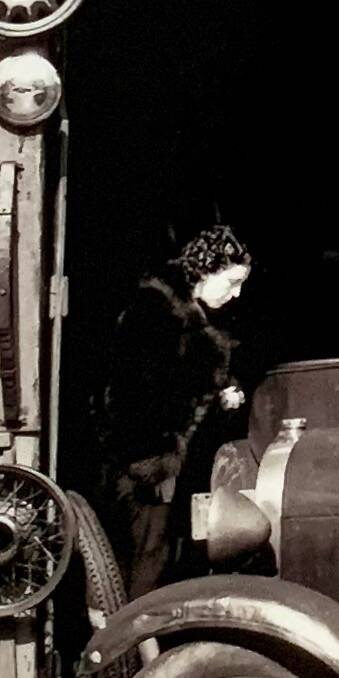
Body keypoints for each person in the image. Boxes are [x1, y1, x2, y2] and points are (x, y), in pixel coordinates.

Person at [105, 223, 257, 594]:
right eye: (232, 282)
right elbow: (137, 395)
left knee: (166, 558)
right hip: (148, 465)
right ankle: (138, 629)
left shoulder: (199, 314)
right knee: (148, 560)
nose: (237, 294)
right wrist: (152, 463)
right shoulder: (155, 313)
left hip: (175, 465)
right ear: (206, 270)